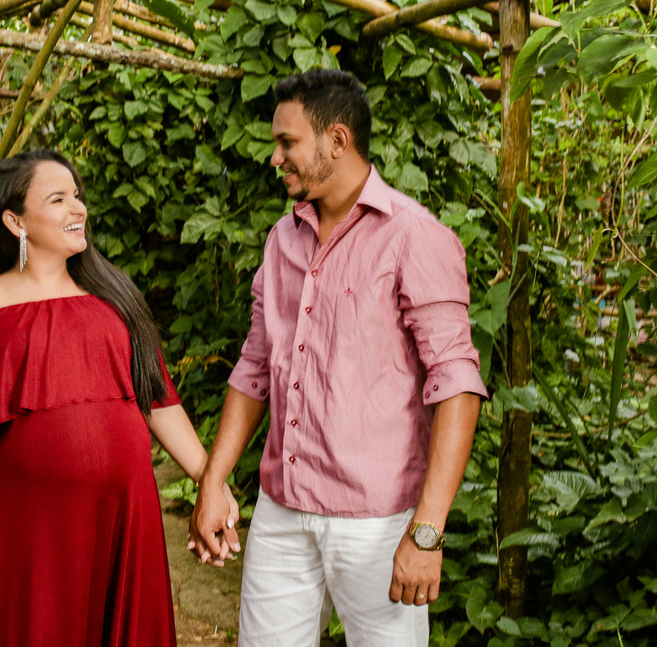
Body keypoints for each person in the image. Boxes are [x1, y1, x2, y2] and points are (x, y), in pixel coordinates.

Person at [188, 70, 487, 646]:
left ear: (338, 140)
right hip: (281, 513)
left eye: (287, 142)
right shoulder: (282, 240)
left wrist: (427, 531)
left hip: (377, 524)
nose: (275, 158)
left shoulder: (413, 236)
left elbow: (456, 385)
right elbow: (254, 368)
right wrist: (213, 480)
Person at [0, 149, 236, 646]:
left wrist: (211, 482)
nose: (79, 208)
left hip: (123, 516)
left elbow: (159, 401)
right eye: (58, 199)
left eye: (77, 195)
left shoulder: (113, 298)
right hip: (27, 525)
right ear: (15, 221)